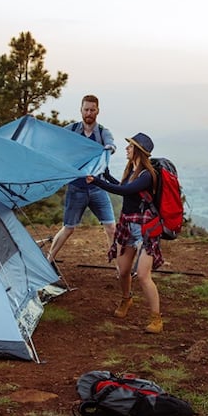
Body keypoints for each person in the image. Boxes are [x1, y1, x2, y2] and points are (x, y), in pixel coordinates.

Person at [87, 132, 165, 334]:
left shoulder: (147, 175)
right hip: (127, 225)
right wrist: (104, 175)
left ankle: (156, 319)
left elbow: (124, 191)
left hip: (146, 228)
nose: (127, 149)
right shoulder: (132, 171)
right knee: (123, 271)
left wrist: (96, 181)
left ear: (138, 150)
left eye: (130, 146)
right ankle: (126, 300)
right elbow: (124, 186)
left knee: (143, 275)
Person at [47, 94, 117, 264]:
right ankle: (48, 260)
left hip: (97, 188)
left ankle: (119, 268)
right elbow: (54, 138)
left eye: (92, 110)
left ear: (97, 111)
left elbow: (111, 145)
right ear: (81, 110)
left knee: (111, 228)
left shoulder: (102, 132)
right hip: (76, 188)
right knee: (68, 228)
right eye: (86, 109)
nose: (89, 113)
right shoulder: (71, 130)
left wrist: (107, 150)